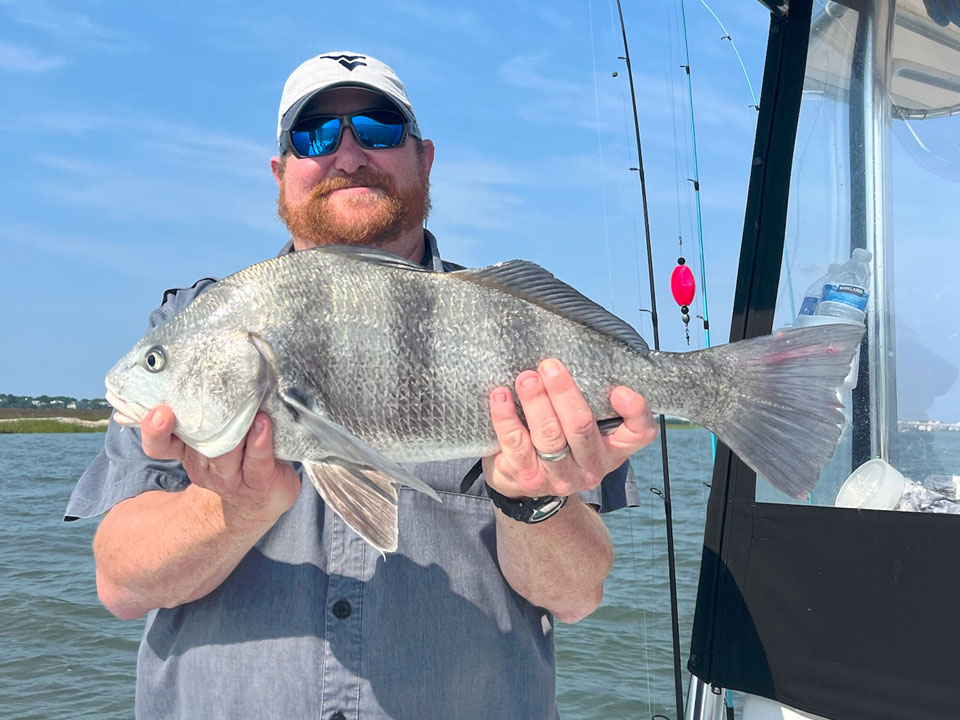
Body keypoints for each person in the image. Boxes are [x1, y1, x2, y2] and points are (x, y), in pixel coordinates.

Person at [66, 51, 657, 719]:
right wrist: (234, 508)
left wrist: (533, 504)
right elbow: (120, 581)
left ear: (424, 157)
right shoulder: (194, 322)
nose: (347, 154)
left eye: (377, 129)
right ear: (280, 171)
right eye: (314, 135)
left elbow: (578, 595)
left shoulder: (507, 321)